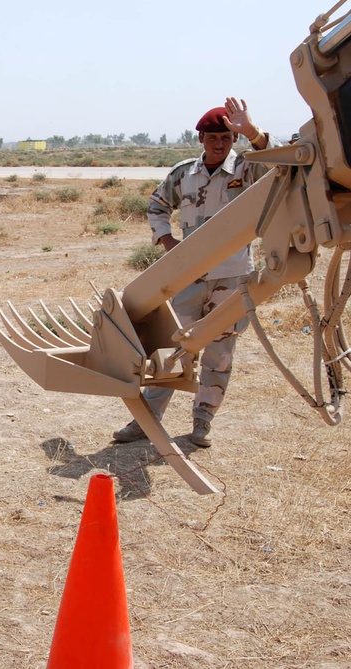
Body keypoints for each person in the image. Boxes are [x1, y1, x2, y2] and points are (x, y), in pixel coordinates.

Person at [113, 97, 280, 448]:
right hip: (188, 278)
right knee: (173, 350)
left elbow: (279, 165)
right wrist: (165, 239)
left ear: (233, 140)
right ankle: (145, 420)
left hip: (232, 278)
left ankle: (202, 422)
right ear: (201, 139)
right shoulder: (184, 174)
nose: (219, 144)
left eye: (225, 137)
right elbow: (157, 204)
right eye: (212, 137)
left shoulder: (246, 170)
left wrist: (251, 131)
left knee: (220, 353)